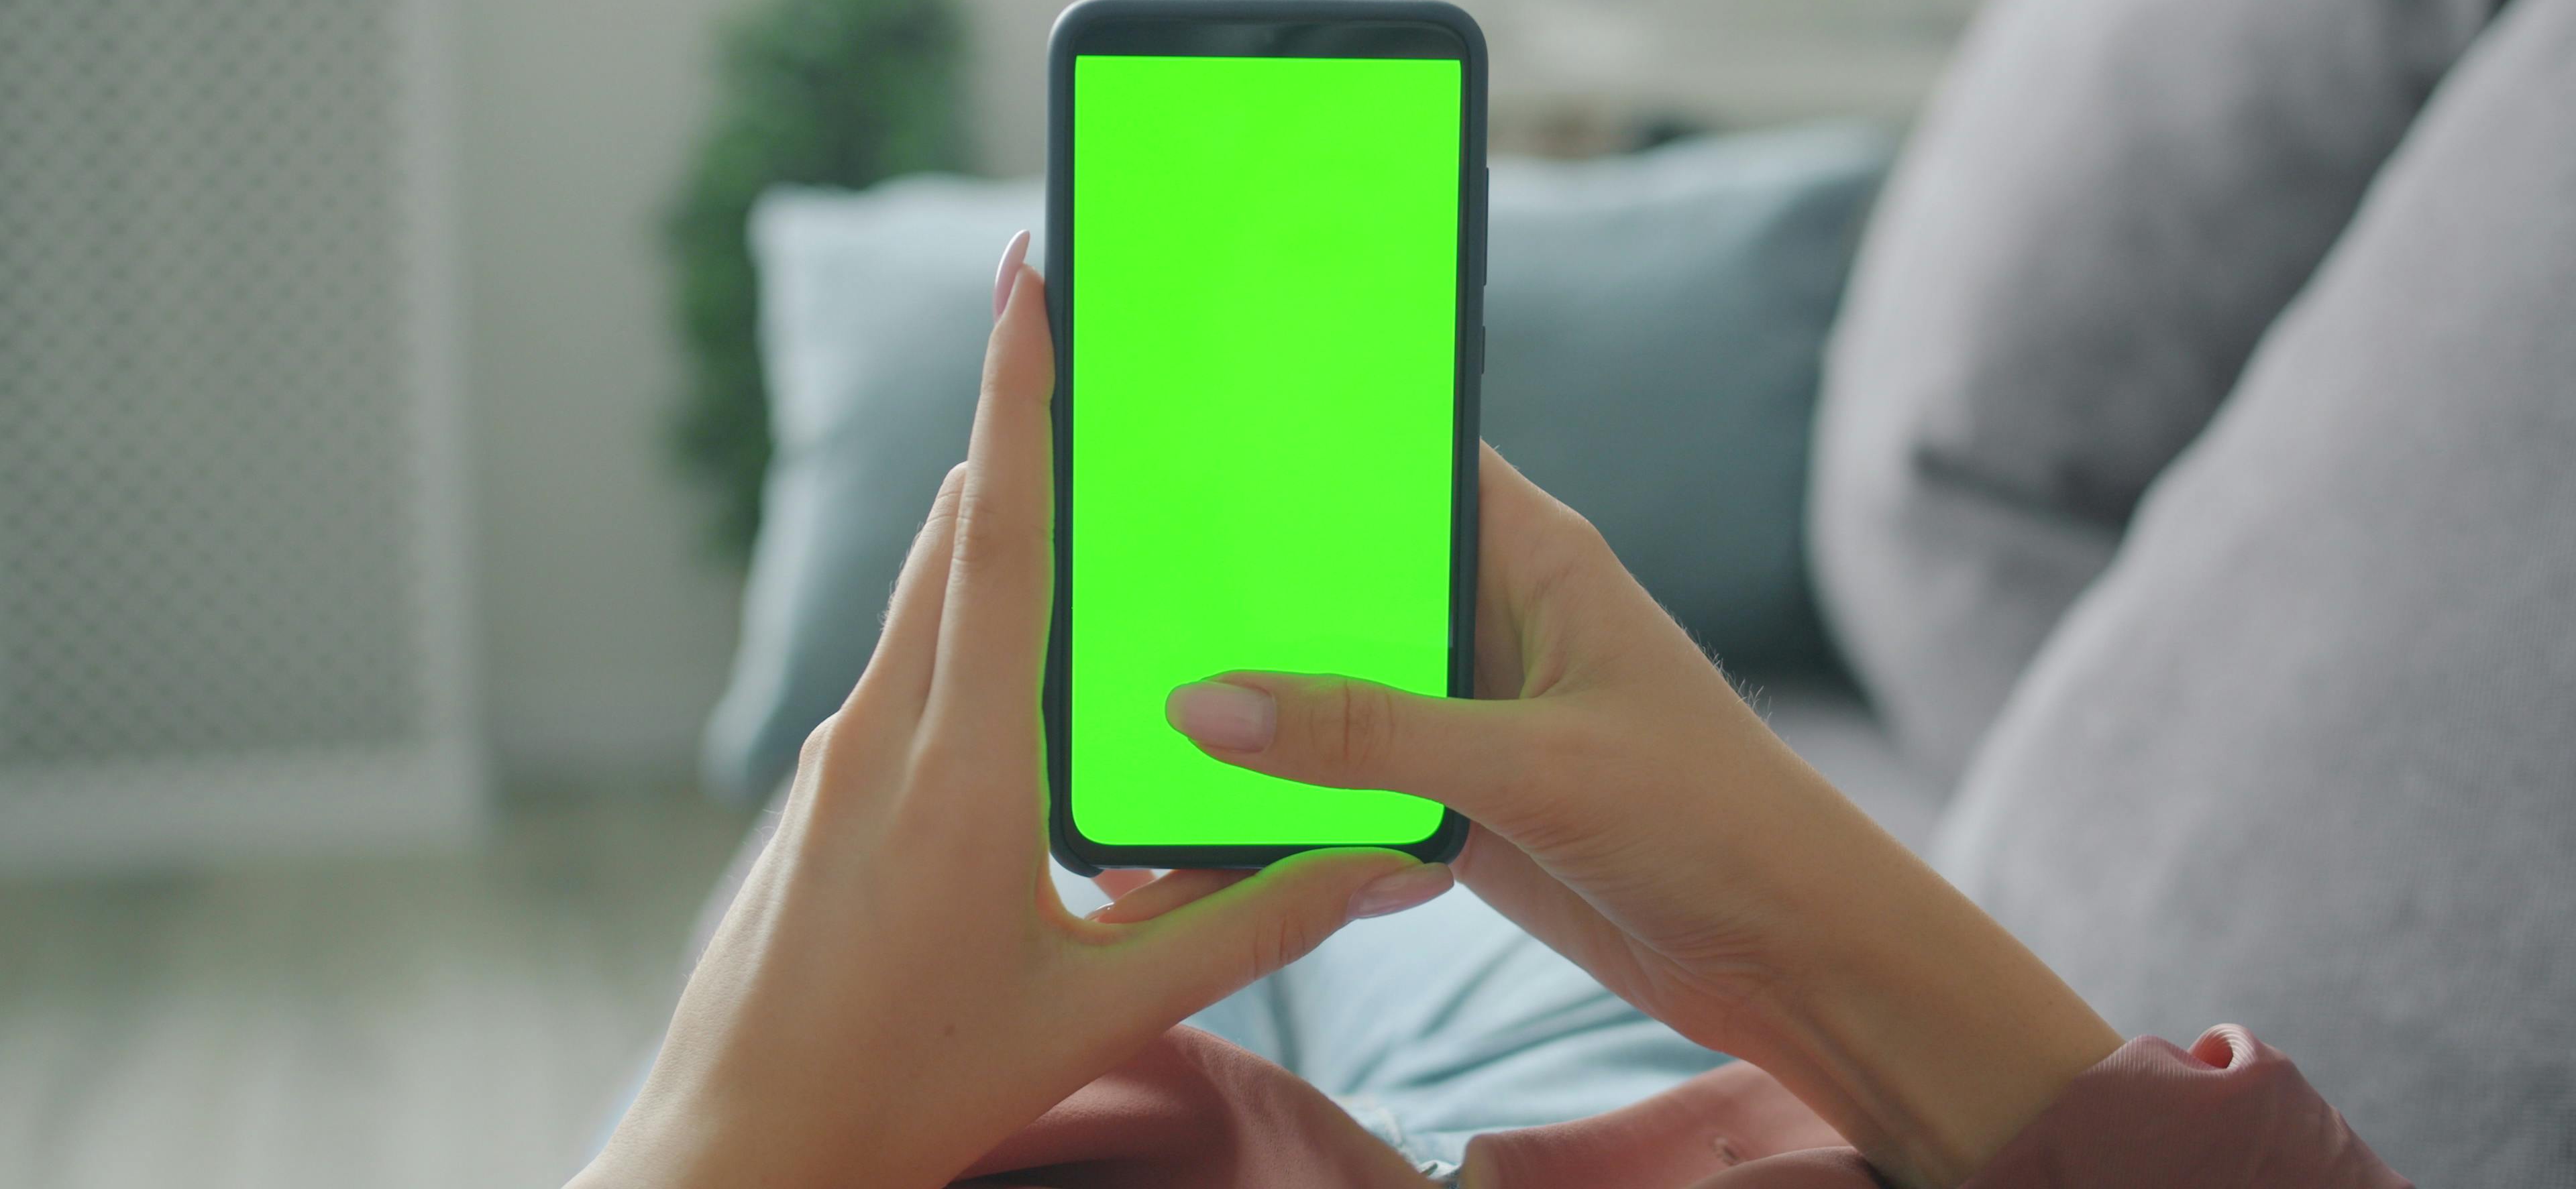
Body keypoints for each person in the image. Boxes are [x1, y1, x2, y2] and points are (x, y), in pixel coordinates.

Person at [569, 235, 2406, 1188]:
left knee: (1141, 847)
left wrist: (712, 1146)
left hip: (1046, 1119)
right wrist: (1812, 941)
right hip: (1643, 1080)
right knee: (1312, 842)